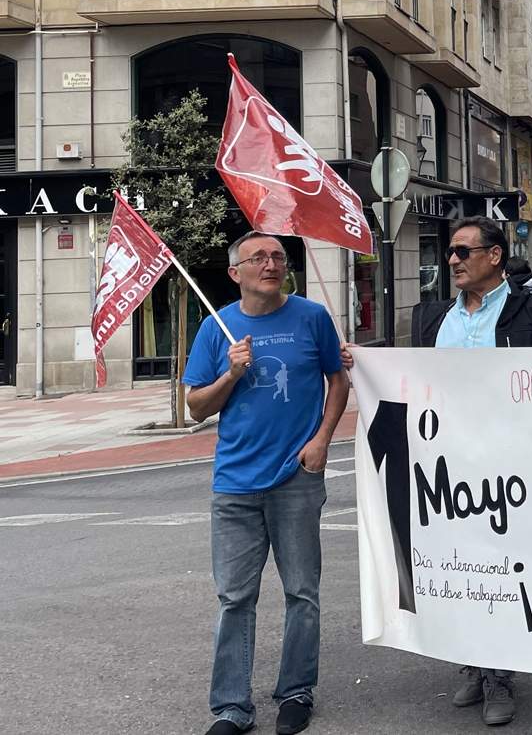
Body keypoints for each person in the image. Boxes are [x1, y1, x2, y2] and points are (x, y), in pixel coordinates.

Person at [184, 232, 349, 735]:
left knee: (302, 591)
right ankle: (231, 707)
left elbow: (338, 378)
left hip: (296, 479)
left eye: (278, 256)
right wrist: (231, 374)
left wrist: (322, 439)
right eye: (258, 257)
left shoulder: (311, 317)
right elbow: (194, 407)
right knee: (235, 598)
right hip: (234, 482)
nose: (271, 264)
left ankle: (296, 691)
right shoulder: (216, 328)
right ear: (236, 272)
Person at [408, 217, 532, 725]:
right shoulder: (430, 319)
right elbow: (413, 385)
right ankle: (473, 662)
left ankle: (501, 672)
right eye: (451, 252)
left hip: (511, 465)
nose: (451, 259)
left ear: (494, 256)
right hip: (449, 468)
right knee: (460, 566)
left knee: (505, 567)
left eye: (462, 251)